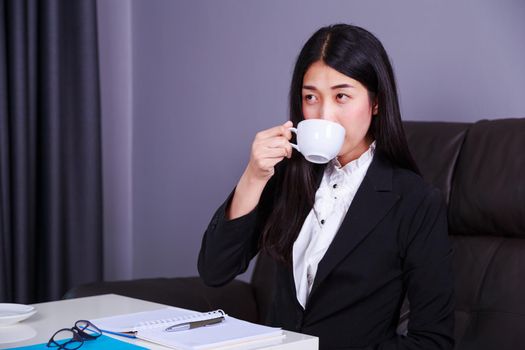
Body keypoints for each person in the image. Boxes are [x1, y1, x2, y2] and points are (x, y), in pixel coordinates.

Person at [198, 24, 454, 349]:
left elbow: (435, 342)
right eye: (311, 97)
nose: (324, 114)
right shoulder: (288, 176)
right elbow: (214, 270)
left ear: (376, 103)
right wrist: (254, 175)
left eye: (342, 96)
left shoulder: (414, 201)